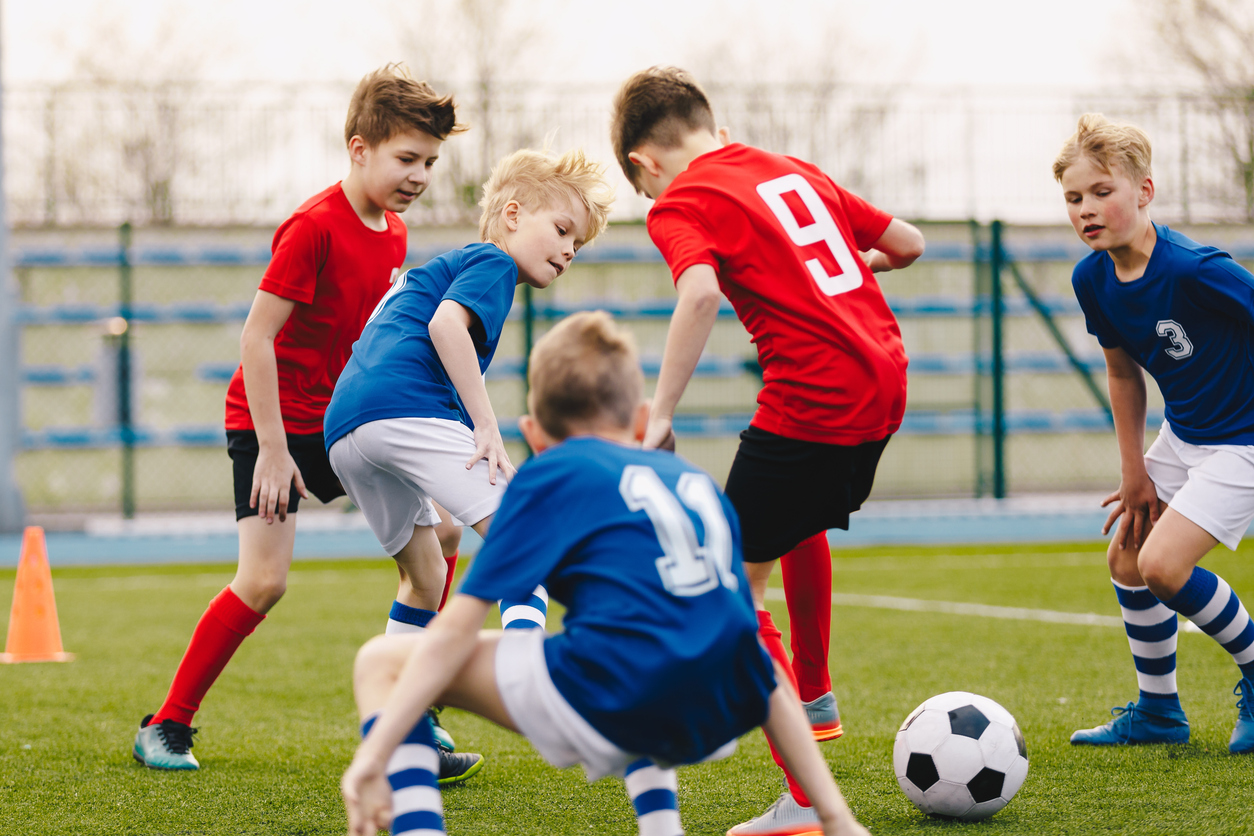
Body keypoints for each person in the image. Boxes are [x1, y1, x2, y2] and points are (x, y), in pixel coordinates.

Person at [339, 311, 871, 836]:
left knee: (381, 663)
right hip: (713, 712)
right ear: (641, 422)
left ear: (533, 435)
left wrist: (377, 752)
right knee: (657, 645)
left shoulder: (551, 475)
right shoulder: (696, 484)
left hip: (611, 696)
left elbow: (455, 629)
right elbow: (753, 653)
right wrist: (834, 815)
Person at [609, 66, 924, 834]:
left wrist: (660, 418)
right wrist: (830, 284)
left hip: (816, 396)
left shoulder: (682, 199)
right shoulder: (790, 169)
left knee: (725, 581)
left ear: (645, 165)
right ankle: (811, 692)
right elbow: (907, 245)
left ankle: (807, 802)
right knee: (790, 521)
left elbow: (700, 293)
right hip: (885, 382)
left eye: (644, 192)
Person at [132, 65, 465, 773]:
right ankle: (166, 725)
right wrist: (276, 451)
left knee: (441, 540)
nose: (420, 175)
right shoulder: (312, 227)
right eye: (407, 158)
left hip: (342, 419)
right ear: (359, 148)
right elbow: (256, 339)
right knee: (264, 582)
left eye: (431, 162)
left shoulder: (396, 235)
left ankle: (410, 714)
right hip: (269, 424)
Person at [1055, 113, 1254, 754]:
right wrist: (1134, 470)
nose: (1086, 209)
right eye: (1074, 198)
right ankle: (1160, 713)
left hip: (1245, 442)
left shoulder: (1197, 268)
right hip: (1187, 435)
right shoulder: (1093, 279)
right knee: (1126, 556)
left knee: (1162, 566)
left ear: (1144, 192)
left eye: (1101, 192)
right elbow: (1122, 375)